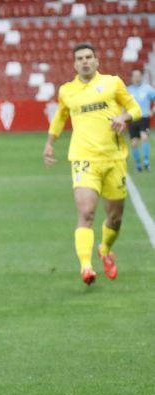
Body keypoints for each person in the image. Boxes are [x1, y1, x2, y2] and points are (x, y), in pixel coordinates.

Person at [44, 43, 142, 285]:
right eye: (80, 58)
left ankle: (105, 249)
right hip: (83, 158)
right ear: (74, 64)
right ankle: (86, 267)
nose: (85, 61)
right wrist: (49, 143)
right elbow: (60, 117)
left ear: (97, 61)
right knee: (86, 212)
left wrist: (123, 117)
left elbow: (135, 108)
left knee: (115, 218)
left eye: (89, 57)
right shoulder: (67, 91)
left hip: (113, 158)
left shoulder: (112, 83)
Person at [127, 68, 155, 172]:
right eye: (135, 76)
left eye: (139, 75)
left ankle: (146, 162)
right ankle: (138, 164)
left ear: (141, 76)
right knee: (134, 143)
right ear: (132, 78)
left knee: (144, 138)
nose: (137, 78)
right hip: (132, 119)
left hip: (144, 118)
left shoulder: (147, 89)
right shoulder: (128, 90)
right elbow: (123, 104)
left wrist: (152, 110)